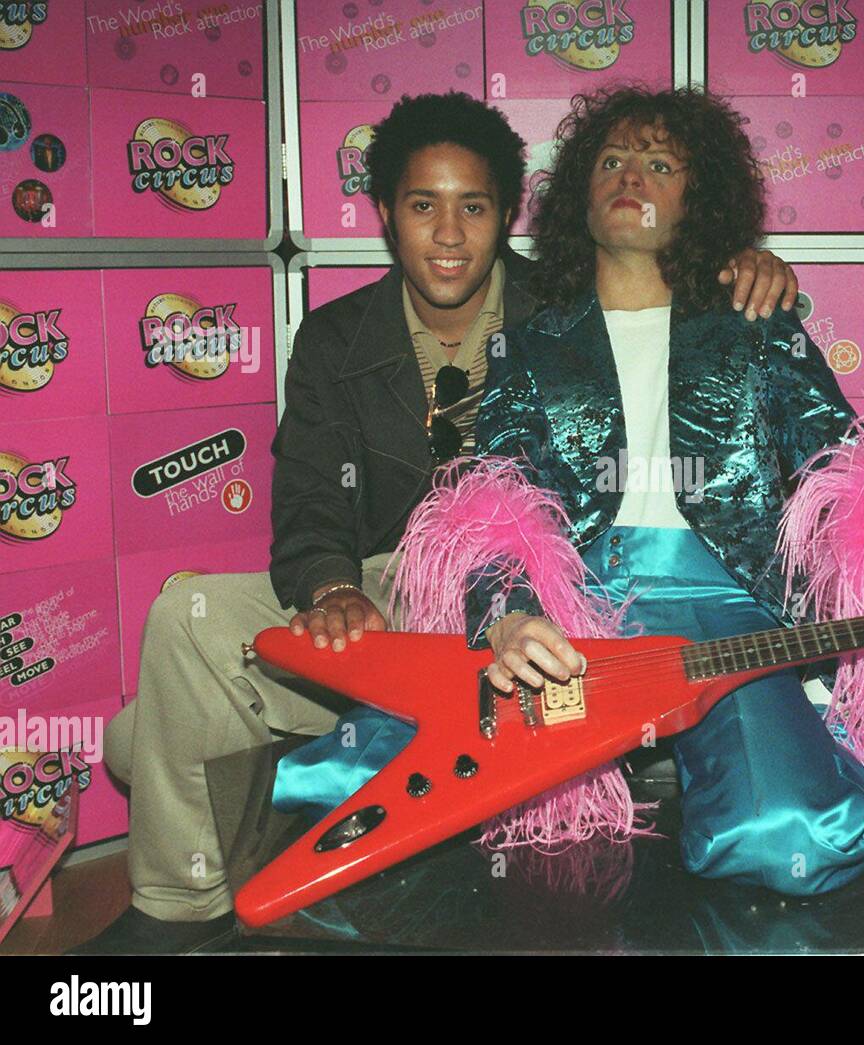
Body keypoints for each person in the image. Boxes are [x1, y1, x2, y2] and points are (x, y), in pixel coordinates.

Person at [281, 85, 864, 898]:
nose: (632, 173)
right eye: (613, 159)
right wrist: (510, 615)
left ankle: (805, 738)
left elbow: (850, 477)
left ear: (696, 198)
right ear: (576, 195)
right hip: (575, 617)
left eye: (661, 163)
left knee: (791, 832)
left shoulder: (756, 326)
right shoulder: (527, 347)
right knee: (340, 783)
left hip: (727, 617)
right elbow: (498, 503)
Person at [84, 91, 802, 954]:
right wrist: (331, 583)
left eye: (474, 207)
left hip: (538, 596)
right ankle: (176, 906)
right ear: (386, 214)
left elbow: (672, 294)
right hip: (382, 587)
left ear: (508, 215)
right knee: (182, 624)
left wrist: (743, 261)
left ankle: (206, 768)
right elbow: (310, 495)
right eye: (424, 206)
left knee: (142, 742)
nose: (451, 234)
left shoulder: (567, 307)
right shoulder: (334, 337)